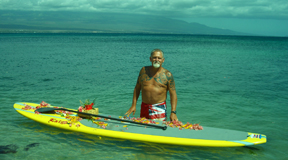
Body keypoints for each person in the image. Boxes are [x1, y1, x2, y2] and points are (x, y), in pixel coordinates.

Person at [125, 49, 178, 121]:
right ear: (150, 59)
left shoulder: (167, 75)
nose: (157, 60)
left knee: (158, 130)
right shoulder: (143, 71)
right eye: (154, 57)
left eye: (159, 58)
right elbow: (137, 88)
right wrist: (133, 105)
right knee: (144, 128)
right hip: (144, 106)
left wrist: (173, 112)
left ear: (163, 60)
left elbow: (173, 94)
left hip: (159, 108)